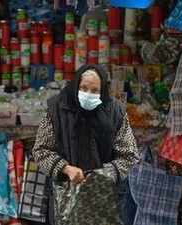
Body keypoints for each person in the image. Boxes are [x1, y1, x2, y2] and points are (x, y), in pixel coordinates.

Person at [31, 64, 139, 223]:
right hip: (67, 196)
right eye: (83, 88)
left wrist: (104, 175)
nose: (88, 94)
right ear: (76, 85)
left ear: (103, 91)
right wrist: (66, 168)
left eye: (95, 90)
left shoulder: (115, 111)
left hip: (104, 197)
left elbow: (129, 155)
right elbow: (41, 150)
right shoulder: (57, 108)